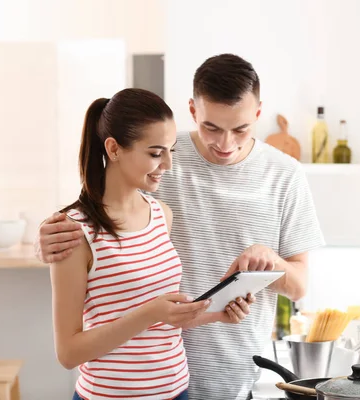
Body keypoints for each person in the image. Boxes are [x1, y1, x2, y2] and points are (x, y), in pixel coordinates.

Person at [37, 54, 325, 400]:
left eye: (240, 129)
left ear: (259, 114)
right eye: (212, 127)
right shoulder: (157, 156)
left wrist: (268, 262)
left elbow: (299, 286)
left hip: (225, 381)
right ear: (193, 110)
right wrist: (47, 237)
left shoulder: (285, 175)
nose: (225, 143)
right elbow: (101, 213)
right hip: (142, 383)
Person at [50, 88, 252, 400]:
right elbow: (68, 353)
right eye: (156, 153)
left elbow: (163, 318)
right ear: (114, 149)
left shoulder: (161, 215)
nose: (168, 165)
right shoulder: (74, 231)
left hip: (176, 391)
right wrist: (149, 313)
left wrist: (218, 311)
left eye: (172, 151)